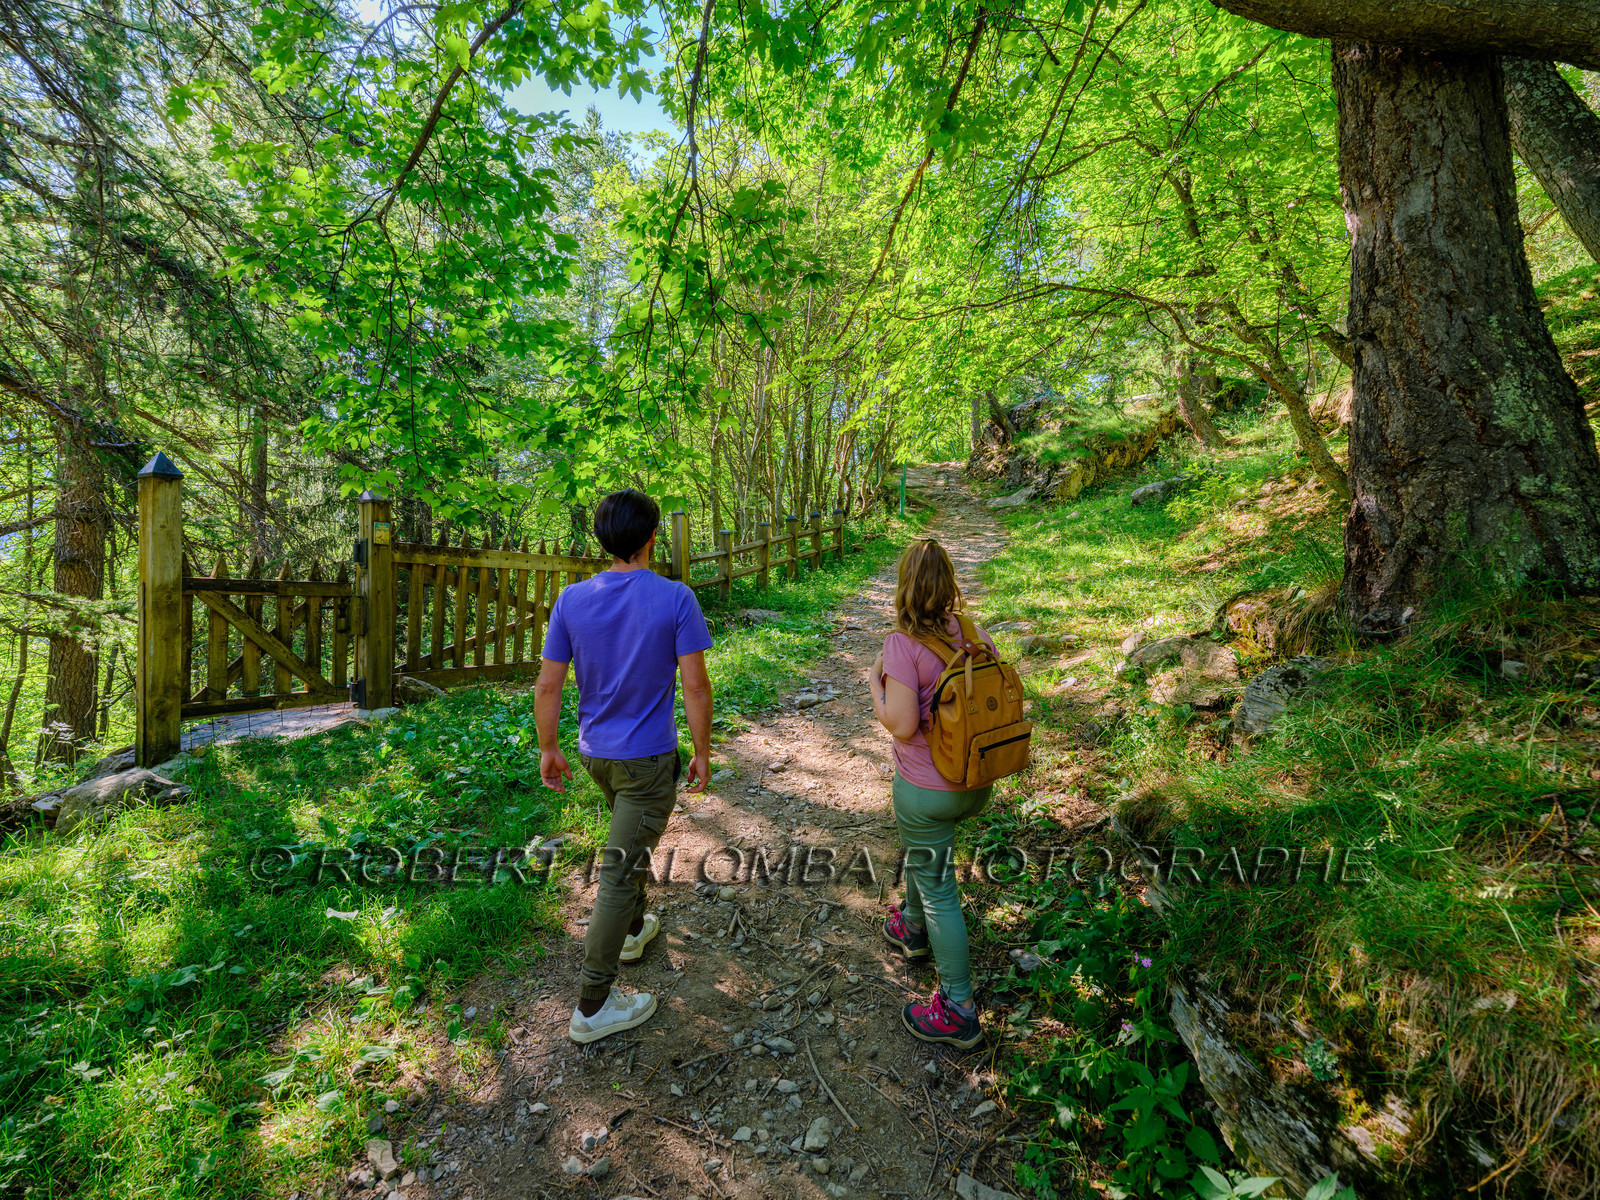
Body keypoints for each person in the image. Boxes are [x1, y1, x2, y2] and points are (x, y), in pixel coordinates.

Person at [535, 489, 714, 1044]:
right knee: (617, 871)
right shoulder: (675, 597)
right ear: (652, 537)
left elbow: (548, 683)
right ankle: (592, 1004)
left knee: (627, 842)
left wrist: (549, 746)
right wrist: (704, 751)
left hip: (597, 758)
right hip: (647, 760)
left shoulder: (571, 600)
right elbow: (695, 685)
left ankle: (634, 931)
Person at [868, 537, 996, 1049]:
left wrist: (873, 684)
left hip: (927, 791)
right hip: (976, 783)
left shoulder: (901, 645)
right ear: (948, 583)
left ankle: (959, 1009)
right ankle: (911, 926)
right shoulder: (972, 631)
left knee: (941, 885)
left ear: (904, 587)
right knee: (931, 861)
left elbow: (899, 723)